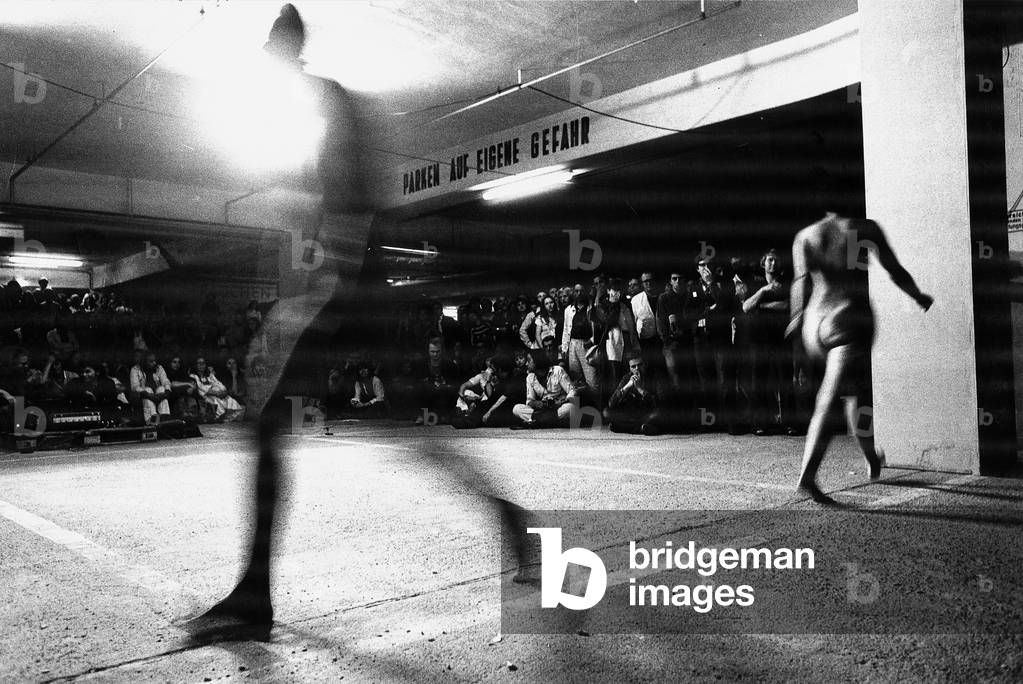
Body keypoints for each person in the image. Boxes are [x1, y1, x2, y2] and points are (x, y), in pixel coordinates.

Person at [184, 4, 531, 643]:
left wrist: (315, 299)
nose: (265, 59)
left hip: (349, 284)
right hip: (354, 285)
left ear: (287, 49)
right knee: (411, 431)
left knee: (269, 423)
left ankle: (255, 594)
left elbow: (359, 214)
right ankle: (512, 521)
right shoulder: (323, 106)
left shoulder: (330, 100)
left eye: (270, 48)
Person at [786, 213, 933, 503]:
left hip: (814, 322)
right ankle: (807, 475)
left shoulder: (806, 234)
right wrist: (918, 296)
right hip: (846, 318)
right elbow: (894, 270)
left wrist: (795, 318)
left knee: (856, 395)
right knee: (830, 398)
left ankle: (872, 459)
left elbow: (799, 282)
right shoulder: (863, 228)